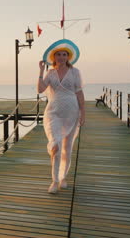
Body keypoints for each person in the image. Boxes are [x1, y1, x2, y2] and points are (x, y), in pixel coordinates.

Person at [37, 39, 85, 194]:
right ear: (54, 57)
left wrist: (83, 113)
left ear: (68, 57)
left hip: (72, 112)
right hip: (54, 112)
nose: (62, 57)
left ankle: (63, 177)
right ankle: (54, 180)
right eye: (59, 55)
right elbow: (40, 89)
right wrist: (40, 71)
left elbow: (79, 92)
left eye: (64, 55)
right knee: (55, 144)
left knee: (67, 148)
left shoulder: (75, 72)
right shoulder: (50, 73)